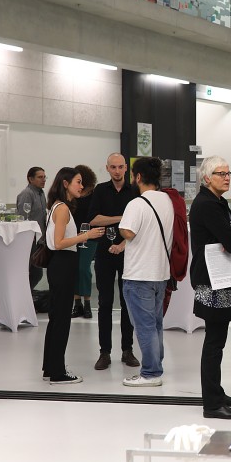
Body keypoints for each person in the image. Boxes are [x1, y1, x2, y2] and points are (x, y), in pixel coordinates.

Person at [190, 156, 231, 419]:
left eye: (228, 173)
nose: (226, 178)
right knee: (214, 343)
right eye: (220, 174)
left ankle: (217, 392)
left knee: (218, 341)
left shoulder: (218, 202)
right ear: (206, 178)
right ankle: (212, 404)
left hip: (223, 280)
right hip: (212, 283)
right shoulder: (206, 205)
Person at [43, 167, 104, 384]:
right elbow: (59, 243)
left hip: (59, 264)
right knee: (61, 320)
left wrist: (79, 236)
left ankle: (50, 367)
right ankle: (57, 373)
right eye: (78, 182)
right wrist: (86, 236)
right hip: (63, 264)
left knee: (56, 318)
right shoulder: (62, 209)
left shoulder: (56, 206)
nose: (81, 186)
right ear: (65, 183)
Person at [118, 157, 174, 387]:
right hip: (160, 273)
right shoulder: (166, 200)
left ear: (138, 177)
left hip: (139, 274)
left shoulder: (136, 204)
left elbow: (128, 232)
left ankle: (151, 373)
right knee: (156, 324)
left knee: (144, 326)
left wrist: (121, 227)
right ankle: (156, 366)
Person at [88, 153, 140, 371]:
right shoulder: (100, 190)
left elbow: (139, 224)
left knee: (128, 303)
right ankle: (105, 352)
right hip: (104, 253)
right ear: (107, 168)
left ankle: (127, 350)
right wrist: (122, 218)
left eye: (120, 167)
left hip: (129, 252)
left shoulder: (135, 191)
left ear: (126, 168)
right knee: (105, 303)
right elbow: (94, 219)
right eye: (113, 167)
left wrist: (122, 241)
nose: (117, 171)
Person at [71, 165, 97, 319]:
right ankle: (77, 304)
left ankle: (87, 303)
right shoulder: (72, 195)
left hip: (90, 236)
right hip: (73, 236)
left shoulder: (94, 195)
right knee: (74, 268)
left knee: (84, 269)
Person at [17, 166, 47, 290]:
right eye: (40, 177)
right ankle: (23, 295)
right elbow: (23, 218)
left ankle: (26, 295)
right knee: (31, 272)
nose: (43, 180)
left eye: (44, 177)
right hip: (30, 239)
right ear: (30, 179)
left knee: (36, 273)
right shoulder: (27, 194)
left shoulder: (41, 193)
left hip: (39, 239)